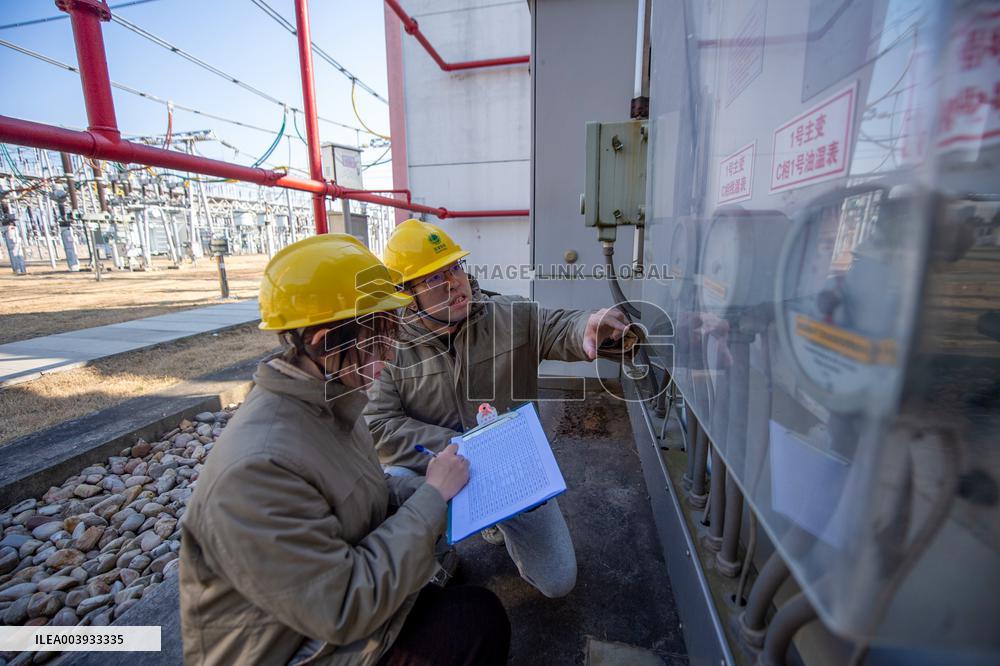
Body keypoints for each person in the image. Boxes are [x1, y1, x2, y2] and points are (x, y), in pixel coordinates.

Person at [180, 234, 510, 666]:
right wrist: (432, 498)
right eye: (380, 334)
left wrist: (442, 492)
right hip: (293, 647)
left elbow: (364, 493)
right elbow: (343, 606)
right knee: (476, 621)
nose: (391, 351)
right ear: (324, 342)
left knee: (451, 576)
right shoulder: (257, 470)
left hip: (315, 624)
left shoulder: (329, 400)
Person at [364, 219, 631, 599]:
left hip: (509, 467)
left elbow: (557, 326)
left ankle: (497, 520)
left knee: (558, 580)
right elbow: (379, 424)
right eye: (434, 278)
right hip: (436, 469)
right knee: (387, 483)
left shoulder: (508, 315)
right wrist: (460, 449)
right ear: (406, 294)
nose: (454, 282)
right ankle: (437, 551)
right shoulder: (388, 349)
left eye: (454, 268)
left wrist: (589, 326)